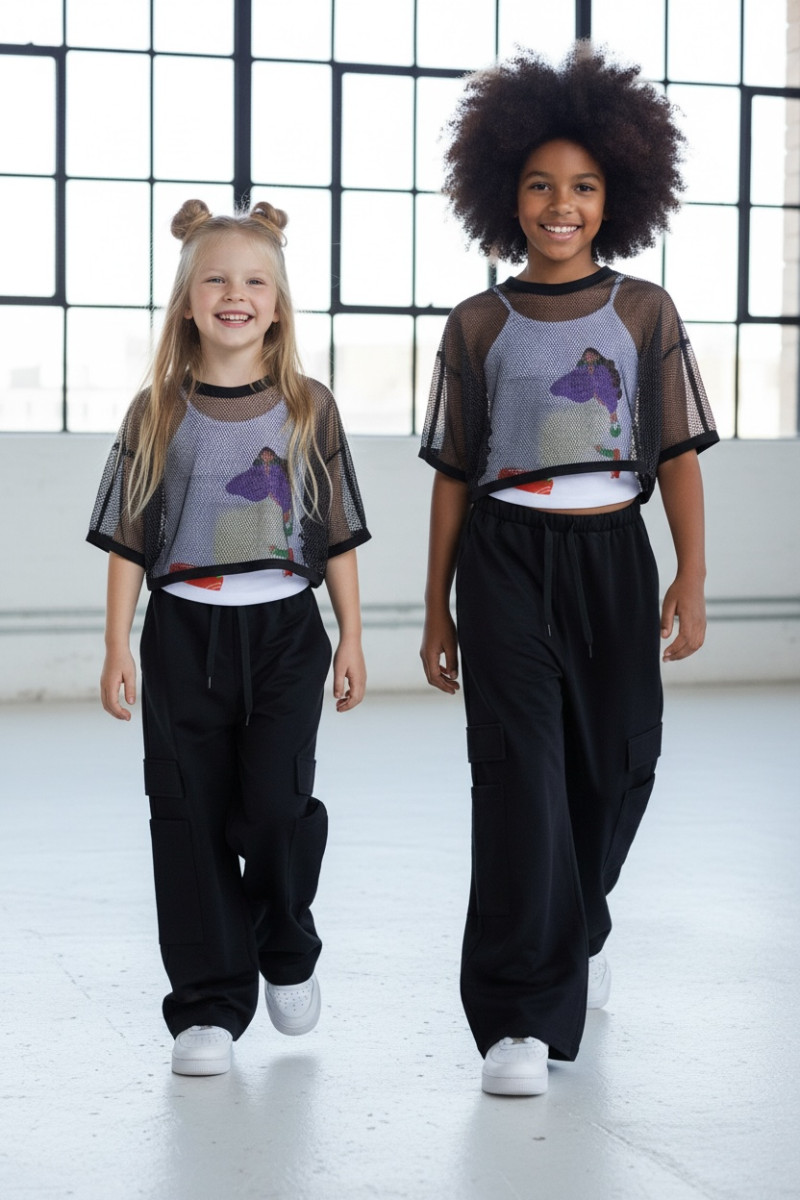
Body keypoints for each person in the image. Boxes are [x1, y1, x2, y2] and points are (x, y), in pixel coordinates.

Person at [418, 45, 718, 1096]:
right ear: (505, 196)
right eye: (540, 185)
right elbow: (453, 476)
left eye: (583, 186)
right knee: (520, 781)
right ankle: (518, 1019)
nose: (561, 205)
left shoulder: (644, 313)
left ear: (614, 196)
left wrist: (688, 576)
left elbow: (674, 456)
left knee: (615, 767)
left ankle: (576, 924)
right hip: (504, 558)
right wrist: (435, 610)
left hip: (613, 558)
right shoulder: (476, 325)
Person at [88, 199, 370, 1076]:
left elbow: (335, 534)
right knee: (189, 817)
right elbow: (130, 539)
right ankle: (208, 1006)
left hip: (285, 633)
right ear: (187, 302)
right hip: (183, 635)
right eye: (215, 280)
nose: (234, 295)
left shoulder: (309, 407)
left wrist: (352, 635)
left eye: (254, 282)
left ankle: (284, 942)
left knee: (275, 806)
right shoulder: (155, 413)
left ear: (278, 306)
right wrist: (117, 643)